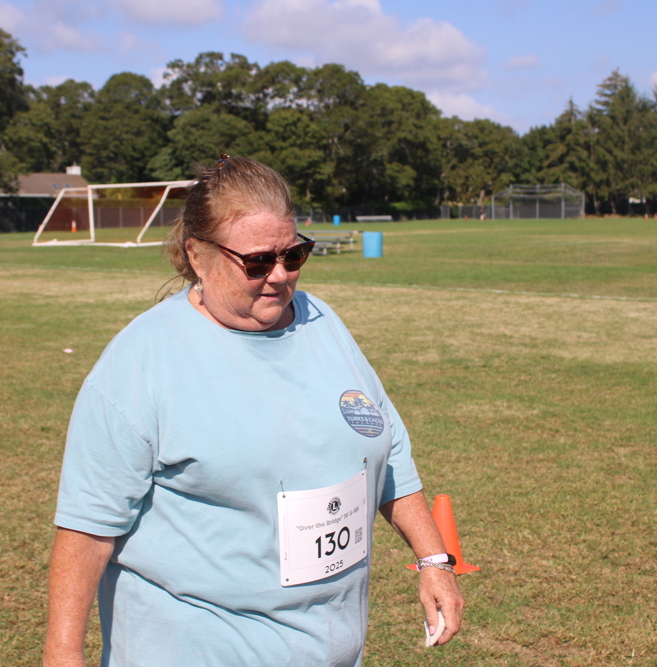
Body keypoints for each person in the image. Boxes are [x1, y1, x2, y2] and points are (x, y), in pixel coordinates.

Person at [43, 155, 464, 666]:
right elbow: (88, 529)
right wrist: (62, 655)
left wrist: (434, 559)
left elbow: (387, 445)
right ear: (198, 255)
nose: (280, 276)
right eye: (258, 261)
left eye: (294, 255)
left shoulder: (323, 323)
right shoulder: (141, 361)